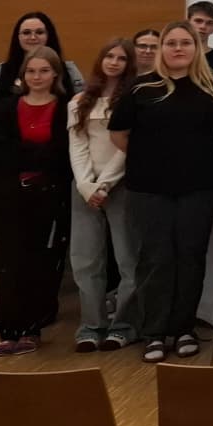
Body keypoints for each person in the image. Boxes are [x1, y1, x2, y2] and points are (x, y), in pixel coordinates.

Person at [107, 21, 213, 363]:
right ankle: (155, 332)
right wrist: (152, 158)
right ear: (161, 49)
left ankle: (184, 328)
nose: (178, 48)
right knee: (154, 259)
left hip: (199, 188)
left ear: (196, 47)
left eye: (185, 42)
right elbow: (119, 133)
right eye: (171, 43)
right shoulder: (141, 87)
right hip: (149, 190)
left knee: (190, 257)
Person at [0, 45, 72, 356]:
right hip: (9, 197)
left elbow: (62, 154)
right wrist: (36, 155)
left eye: (44, 70)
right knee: (11, 262)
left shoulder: (66, 108)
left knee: (41, 263)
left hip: (50, 197)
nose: (37, 76)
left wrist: (26, 154)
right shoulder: (5, 107)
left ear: (55, 75)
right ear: (23, 75)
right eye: (31, 71)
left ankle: (32, 328)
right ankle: (8, 329)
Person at [67, 38, 139, 351]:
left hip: (119, 185)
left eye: (121, 58)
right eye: (109, 56)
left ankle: (123, 325)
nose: (114, 62)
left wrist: (106, 183)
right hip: (84, 188)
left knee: (127, 260)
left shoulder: (133, 99)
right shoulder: (80, 101)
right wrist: (86, 185)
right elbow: (78, 146)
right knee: (85, 260)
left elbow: (126, 147)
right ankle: (91, 326)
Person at [0, 11, 86, 172]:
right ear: (17, 37)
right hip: (5, 169)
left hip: (60, 169)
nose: (33, 37)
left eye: (39, 32)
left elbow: (84, 118)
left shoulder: (70, 72)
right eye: (26, 33)